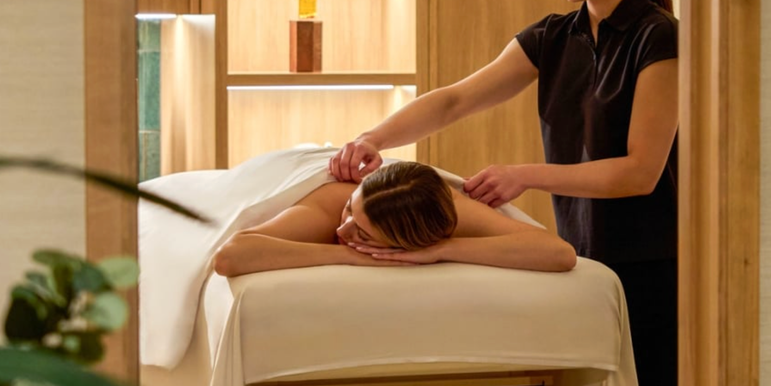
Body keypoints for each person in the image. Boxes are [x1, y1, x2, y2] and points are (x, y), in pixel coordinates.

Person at [328, 0, 678, 386]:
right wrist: (373, 138)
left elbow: (640, 172)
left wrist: (523, 175)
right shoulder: (553, 36)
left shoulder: (660, 35)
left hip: (654, 260)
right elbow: (455, 100)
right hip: (583, 255)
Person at [213, 161, 577, 277]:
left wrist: (443, 250)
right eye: (351, 213)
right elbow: (231, 256)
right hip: (278, 171)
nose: (342, 230)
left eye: (365, 234)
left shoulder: (451, 214)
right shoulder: (331, 204)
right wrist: (353, 253)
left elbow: (559, 253)